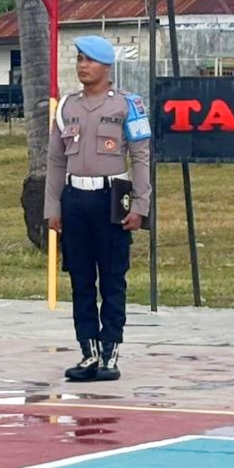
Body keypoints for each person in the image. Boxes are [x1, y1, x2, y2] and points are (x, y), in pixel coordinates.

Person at [44, 35, 151, 382]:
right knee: (80, 279)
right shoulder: (66, 107)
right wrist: (52, 207)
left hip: (112, 198)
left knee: (112, 278)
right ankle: (88, 352)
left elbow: (140, 156)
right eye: (78, 59)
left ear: (106, 66)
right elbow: (56, 160)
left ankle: (110, 352)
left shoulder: (127, 105)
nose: (82, 66)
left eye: (89, 60)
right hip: (75, 198)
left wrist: (140, 205)